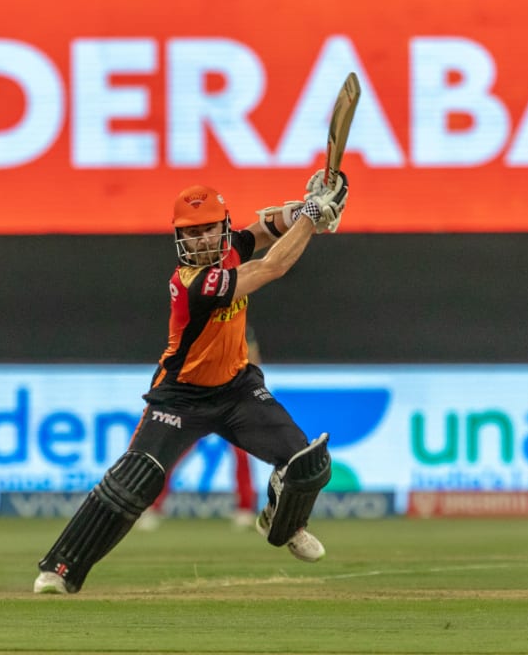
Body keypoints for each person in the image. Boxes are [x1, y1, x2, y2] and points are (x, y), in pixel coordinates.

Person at [33, 169, 349, 594]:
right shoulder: (193, 283)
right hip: (179, 397)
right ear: (179, 238)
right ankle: (60, 569)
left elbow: (269, 227)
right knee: (135, 479)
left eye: (208, 229)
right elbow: (272, 266)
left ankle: (282, 520)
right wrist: (313, 215)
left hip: (237, 390)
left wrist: (313, 203)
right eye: (191, 232)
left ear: (224, 226)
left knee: (306, 464)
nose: (201, 240)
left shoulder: (231, 247)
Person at [135, 325, 265, 532]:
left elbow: (253, 360)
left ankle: (245, 510)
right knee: (172, 453)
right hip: (198, 401)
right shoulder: (197, 320)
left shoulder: (238, 325)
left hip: (230, 402)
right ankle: (153, 507)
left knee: (241, 455)